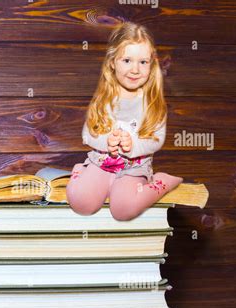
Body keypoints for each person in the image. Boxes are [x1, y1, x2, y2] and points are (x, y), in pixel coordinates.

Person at [66, 22, 183, 221]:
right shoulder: (105, 98)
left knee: (123, 210)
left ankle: (163, 181)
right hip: (103, 161)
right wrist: (106, 142)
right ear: (112, 62)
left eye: (143, 62)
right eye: (127, 60)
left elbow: (156, 140)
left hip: (134, 166)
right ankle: (82, 171)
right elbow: (88, 133)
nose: (135, 69)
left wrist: (132, 146)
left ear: (151, 64)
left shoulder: (152, 101)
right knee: (82, 203)